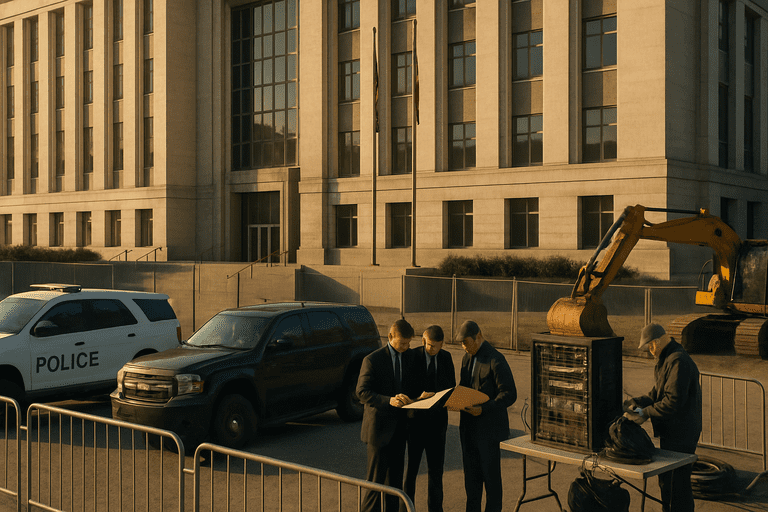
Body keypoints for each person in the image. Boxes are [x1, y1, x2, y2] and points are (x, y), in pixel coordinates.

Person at [624, 322, 702, 512]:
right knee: (668, 482)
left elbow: (672, 401)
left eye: (649, 346)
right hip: (674, 430)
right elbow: (656, 395)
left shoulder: (677, 361)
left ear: (656, 342)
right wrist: (636, 402)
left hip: (681, 433)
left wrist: (644, 413)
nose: (649, 351)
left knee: (677, 484)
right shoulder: (667, 359)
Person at [456, 320, 517, 512]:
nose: (464, 347)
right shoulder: (466, 358)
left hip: (489, 432)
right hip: (469, 431)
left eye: (467, 343)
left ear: (479, 337)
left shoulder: (496, 359)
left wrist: (485, 408)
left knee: (491, 484)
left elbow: (509, 394)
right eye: (462, 344)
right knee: (471, 484)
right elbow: (463, 388)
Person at [357, 319, 417, 512]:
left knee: (395, 486)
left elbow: (409, 385)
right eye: (402, 343)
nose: (406, 347)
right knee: (375, 484)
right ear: (390, 337)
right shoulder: (373, 360)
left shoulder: (409, 357)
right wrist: (388, 400)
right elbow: (362, 392)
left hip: (399, 431)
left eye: (408, 343)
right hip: (378, 432)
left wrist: (416, 398)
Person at [402, 325, 456, 512]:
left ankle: (435, 509)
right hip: (415, 423)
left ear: (442, 344)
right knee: (411, 471)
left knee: (436, 472)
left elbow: (451, 386)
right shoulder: (411, 356)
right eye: (430, 345)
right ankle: (407, 509)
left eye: (437, 346)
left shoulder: (446, 358)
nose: (432, 350)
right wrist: (419, 397)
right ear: (423, 340)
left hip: (437, 425)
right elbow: (405, 387)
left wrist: (439, 395)